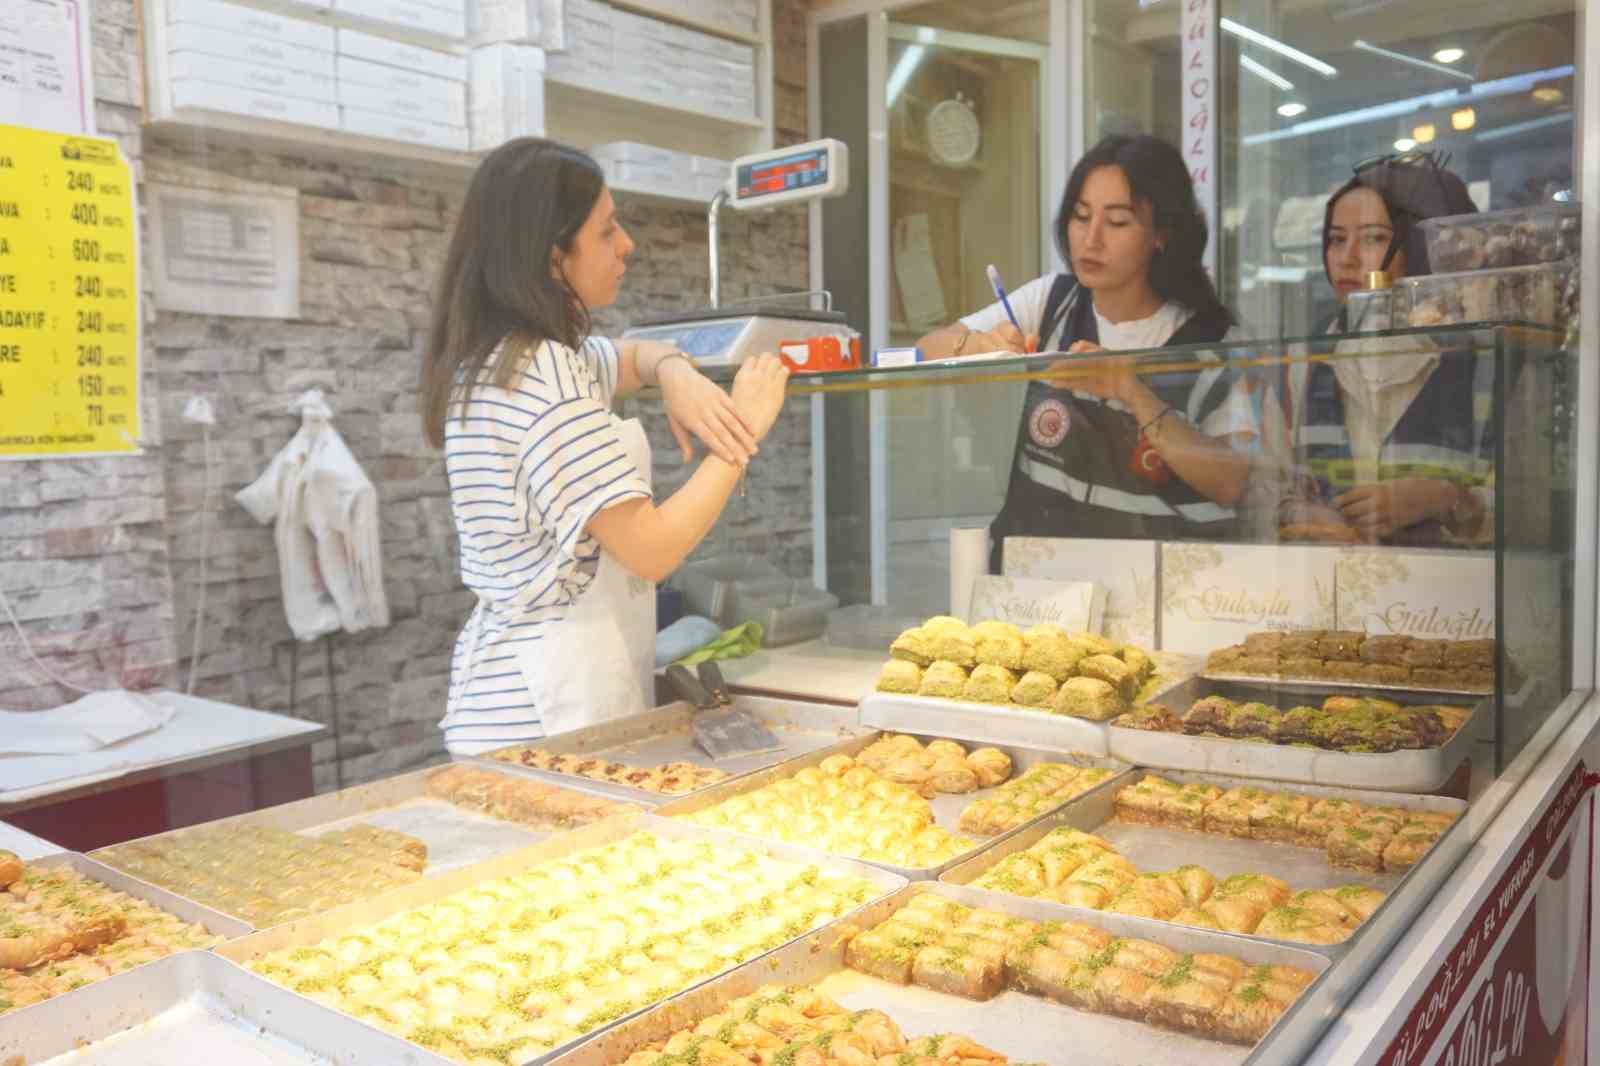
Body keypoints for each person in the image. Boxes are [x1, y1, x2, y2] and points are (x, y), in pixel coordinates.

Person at [421, 138, 790, 755]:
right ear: (551, 255)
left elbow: (630, 357)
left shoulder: (503, 358)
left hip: (519, 706)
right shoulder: (540, 372)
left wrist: (675, 372)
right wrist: (740, 432)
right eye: (607, 230)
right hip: (542, 718)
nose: (628, 245)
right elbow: (651, 549)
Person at [916, 135, 1252, 567]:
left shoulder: (1212, 342)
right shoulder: (1053, 302)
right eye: (1080, 216)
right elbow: (926, 350)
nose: (1090, 240)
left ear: (1161, 235)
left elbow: (1233, 482)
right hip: (1040, 580)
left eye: (1117, 223)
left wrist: (1130, 391)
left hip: (1159, 588)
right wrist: (980, 344)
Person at [1261, 152, 1492, 545]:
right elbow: (1262, 487)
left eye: (1373, 238)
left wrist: (1444, 499)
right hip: (1329, 590)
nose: (1346, 259)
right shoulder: (1301, 362)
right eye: (1336, 240)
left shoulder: (1485, 360)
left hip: (1451, 599)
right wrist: (1301, 514)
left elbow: (1532, 513)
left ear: (1425, 247)